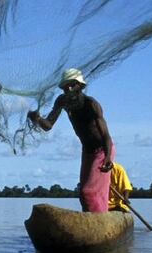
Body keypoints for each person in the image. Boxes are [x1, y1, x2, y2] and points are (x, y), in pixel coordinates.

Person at [27, 68, 114, 212]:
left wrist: (108, 156)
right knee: (82, 193)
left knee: (89, 192)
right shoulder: (62, 101)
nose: (69, 88)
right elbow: (48, 125)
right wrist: (36, 118)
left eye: (72, 85)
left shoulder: (91, 104)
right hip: (87, 150)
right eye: (66, 86)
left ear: (80, 86)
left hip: (102, 149)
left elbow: (106, 135)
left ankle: (99, 221)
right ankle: (90, 221)